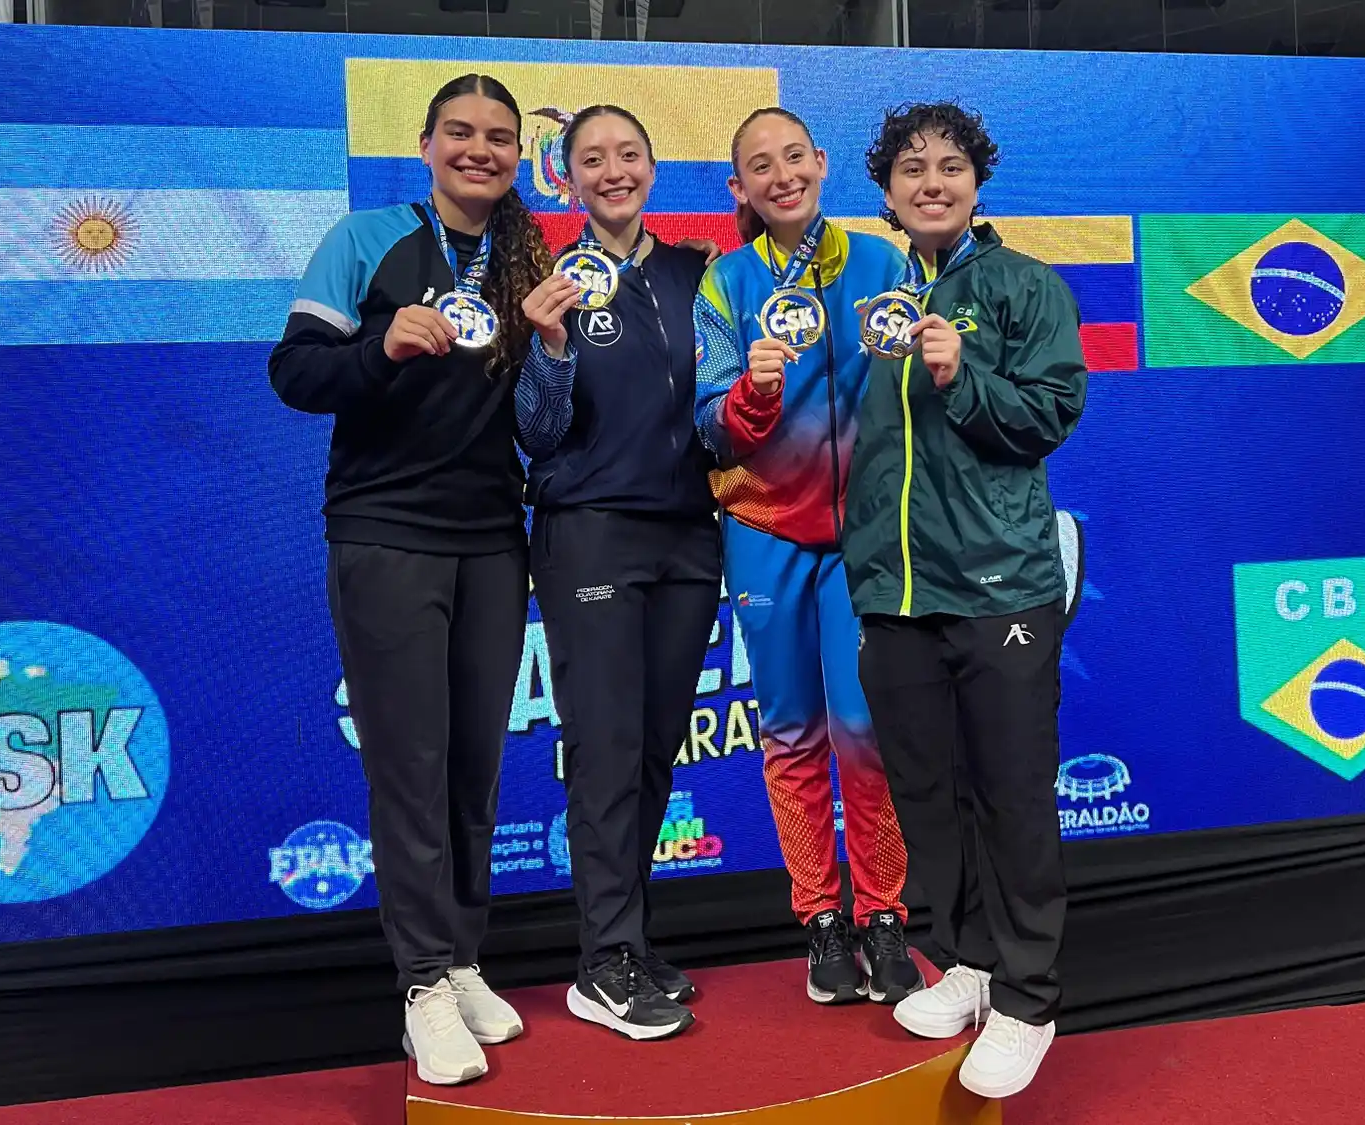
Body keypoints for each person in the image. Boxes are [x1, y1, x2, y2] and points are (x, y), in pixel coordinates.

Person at [268, 73, 552, 1088]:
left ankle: (463, 956)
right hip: (387, 534)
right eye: (461, 133)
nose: (481, 149)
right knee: (410, 767)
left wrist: (556, 350)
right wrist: (380, 349)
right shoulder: (369, 239)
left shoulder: (529, 257)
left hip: (493, 538)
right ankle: (422, 982)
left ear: (517, 157)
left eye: (500, 137)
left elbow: (543, 413)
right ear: (426, 143)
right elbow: (295, 373)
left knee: (475, 763)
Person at [843, 101, 1088, 1099]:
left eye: (949, 165)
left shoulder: (1024, 285)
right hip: (896, 591)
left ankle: (1030, 997)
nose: (931, 182)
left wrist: (960, 375)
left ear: (977, 182)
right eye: (911, 168)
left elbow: (1052, 414)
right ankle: (970, 960)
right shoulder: (875, 296)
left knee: (1012, 793)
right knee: (927, 795)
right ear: (887, 190)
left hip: (1001, 586)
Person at [692, 106, 922, 1007]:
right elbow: (710, 429)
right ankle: (821, 918)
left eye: (795, 157)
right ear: (739, 187)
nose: (782, 175)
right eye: (762, 165)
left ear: (822, 163)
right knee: (790, 732)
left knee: (865, 731)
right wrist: (751, 392)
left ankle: (884, 913)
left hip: (863, 537)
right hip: (764, 531)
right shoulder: (726, 282)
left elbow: (915, 399)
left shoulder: (883, 264)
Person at [515, 105, 721, 1042]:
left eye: (628, 154)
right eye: (591, 159)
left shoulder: (693, 273)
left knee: (651, 750)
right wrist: (551, 348)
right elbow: (536, 432)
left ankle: (629, 941)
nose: (613, 171)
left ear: (652, 167)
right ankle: (602, 962)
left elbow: (721, 400)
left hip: (687, 536)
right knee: (603, 748)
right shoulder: (550, 282)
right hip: (591, 531)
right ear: (567, 178)